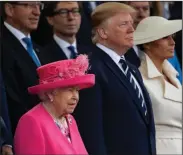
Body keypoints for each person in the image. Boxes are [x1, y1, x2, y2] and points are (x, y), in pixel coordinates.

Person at [73, 3, 156, 155]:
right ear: (103, 33)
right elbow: (92, 131)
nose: (132, 29)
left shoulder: (131, 68)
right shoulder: (92, 69)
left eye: (131, 23)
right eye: (124, 24)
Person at [14, 54, 95, 154]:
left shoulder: (69, 119)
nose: (76, 97)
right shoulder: (32, 121)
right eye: (70, 90)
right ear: (50, 93)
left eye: (77, 90)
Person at [134, 16, 182, 154]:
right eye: (165, 37)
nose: (172, 42)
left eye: (172, 37)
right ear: (147, 44)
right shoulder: (139, 78)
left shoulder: (174, 78)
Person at [1, 1, 46, 134]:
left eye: (39, 5)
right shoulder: (3, 47)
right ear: (9, 9)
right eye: (29, 5)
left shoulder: (40, 50)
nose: (37, 12)